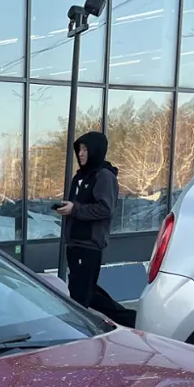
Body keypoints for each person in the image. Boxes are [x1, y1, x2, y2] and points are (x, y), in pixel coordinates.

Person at [55, 132, 119, 307]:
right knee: (89, 295)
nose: (80, 154)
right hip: (74, 243)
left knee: (80, 297)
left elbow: (105, 208)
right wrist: (68, 208)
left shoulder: (104, 176)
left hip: (89, 245)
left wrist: (74, 209)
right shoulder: (79, 177)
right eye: (79, 149)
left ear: (95, 151)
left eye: (85, 149)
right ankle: (130, 319)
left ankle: (78, 324)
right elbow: (78, 206)